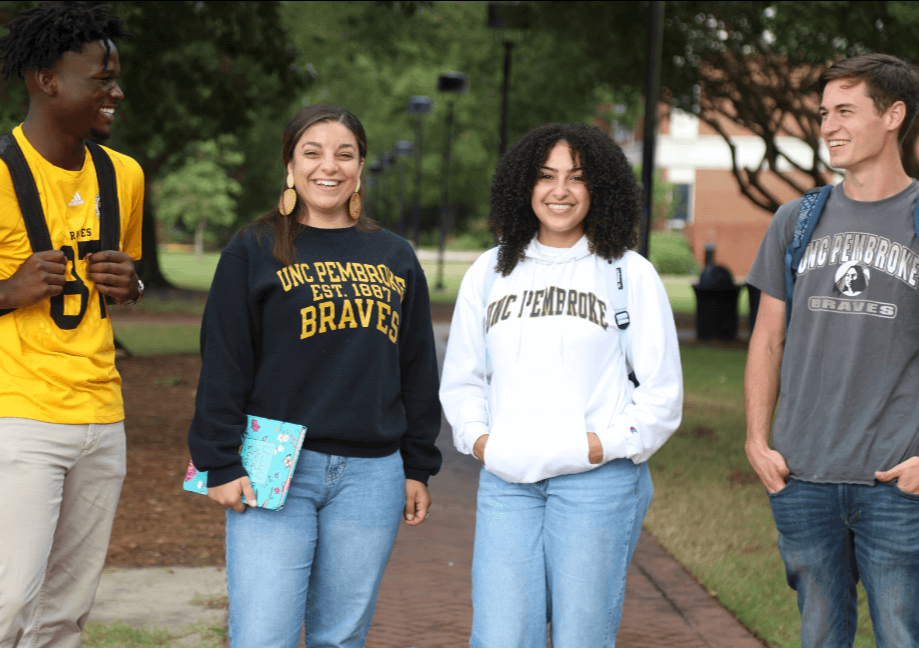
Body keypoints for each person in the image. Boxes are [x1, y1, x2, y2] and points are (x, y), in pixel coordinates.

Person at [188, 104, 442, 648]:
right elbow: (225, 359)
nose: (329, 166)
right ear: (290, 165)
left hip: (372, 474)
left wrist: (418, 464)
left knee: (341, 637)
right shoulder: (253, 248)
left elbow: (417, 366)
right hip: (272, 464)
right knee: (263, 635)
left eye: (344, 154)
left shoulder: (394, 255)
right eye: (312, 152)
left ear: (360, 167)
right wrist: (218, 461)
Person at [439, 122, 682, 647]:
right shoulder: (489, 271)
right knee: (501, 637)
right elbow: (462, 378)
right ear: (524, 185)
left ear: (600, 188)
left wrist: (600, 446)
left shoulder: (628, 273)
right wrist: (480, 441)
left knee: (581, 637)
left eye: (577, 177)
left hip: (596, 481)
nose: (561, 191)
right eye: (546, 176)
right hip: (508, 480)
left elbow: (662, 394)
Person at [745, 53, 919, 648]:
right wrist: (756, 441)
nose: (829, 126)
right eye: (824, 113)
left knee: (902, 635)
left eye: (846, 111)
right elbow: (767, 339)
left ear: (893, 115)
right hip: (802, 477)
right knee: (819, 636)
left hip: (896, 482)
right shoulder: (795, 220)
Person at [0, 3, 143, 647]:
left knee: (66, 612)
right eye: (102, 79)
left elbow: (125, 281)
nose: (116, 92)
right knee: (9, 601)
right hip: (19, 415)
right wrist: (9, 291)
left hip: (102, 415)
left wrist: (133, 286)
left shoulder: (124, 174)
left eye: (117, 78)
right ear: (47, 81)